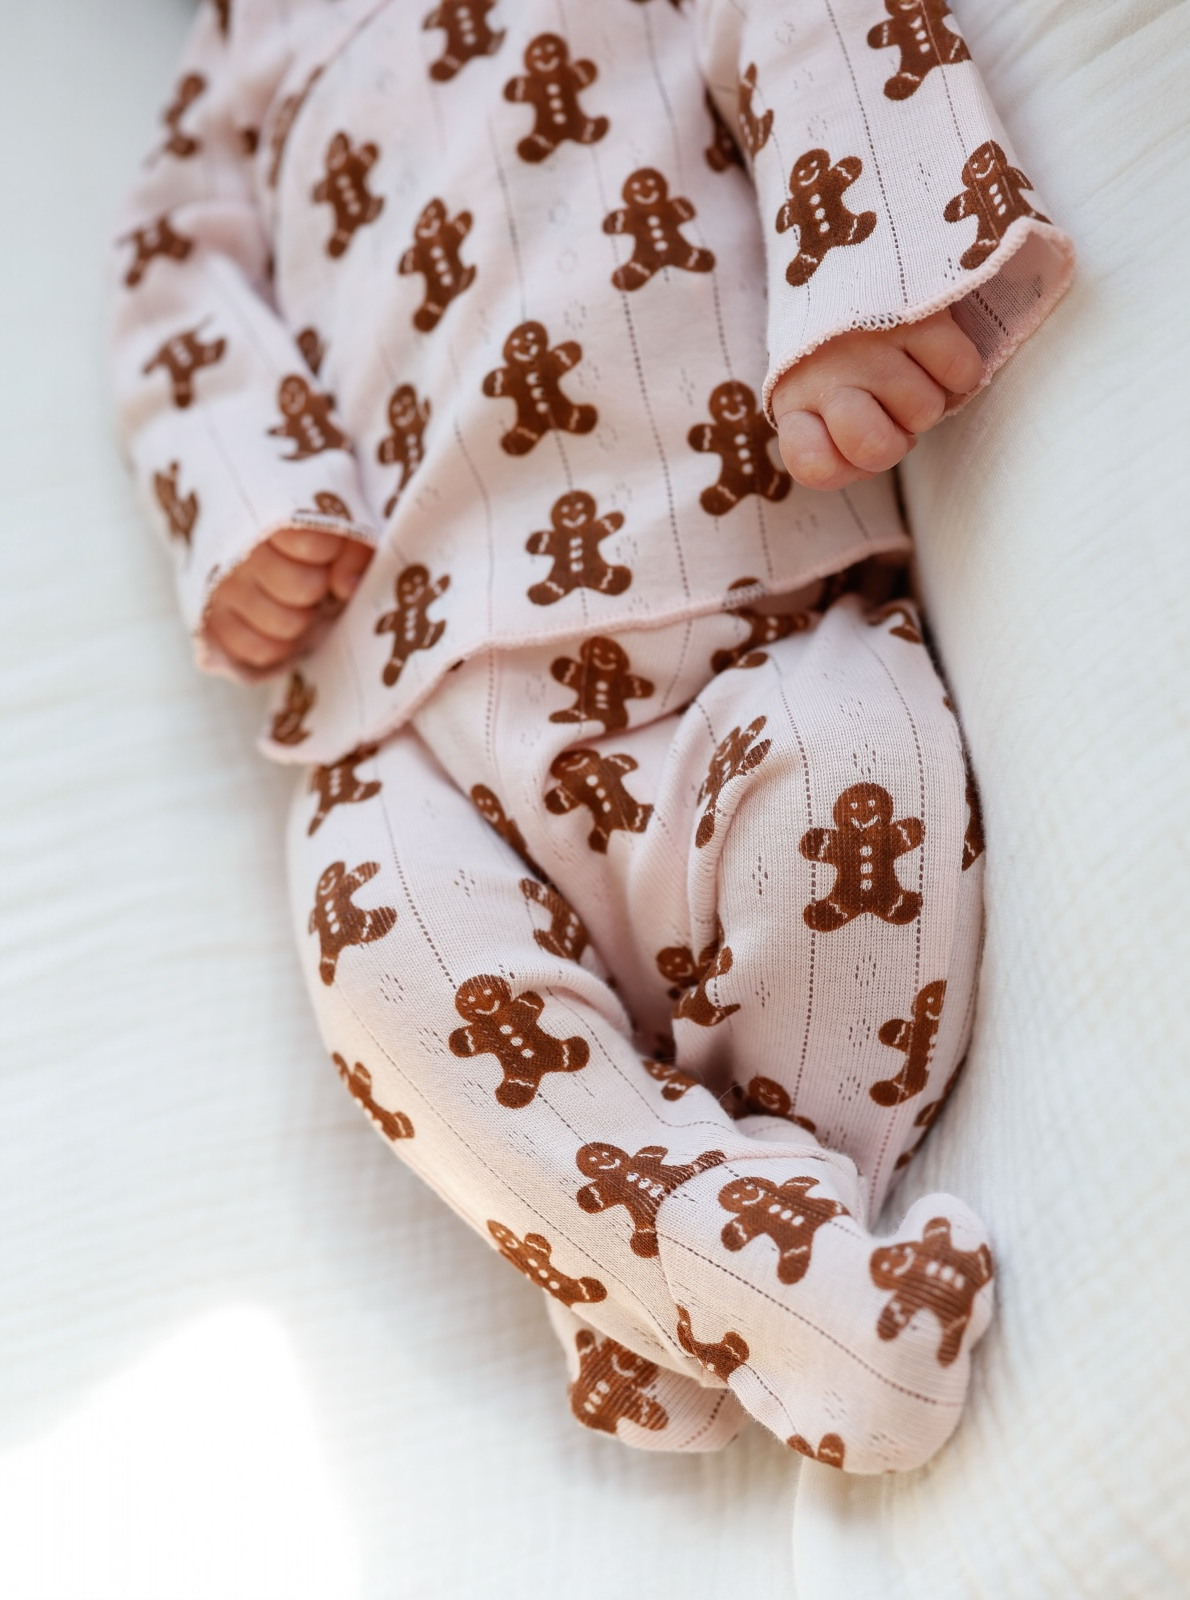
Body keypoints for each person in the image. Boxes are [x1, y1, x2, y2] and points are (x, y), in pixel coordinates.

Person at [110, 0, 1073, 1472]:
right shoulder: (237, 52)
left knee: (855, 774)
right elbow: (174, 293)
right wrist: (247, 501)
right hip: (411, 690)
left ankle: (692, 1286)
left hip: (740, 593)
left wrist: (856, 285)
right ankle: (762, 1293)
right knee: (381, 966)